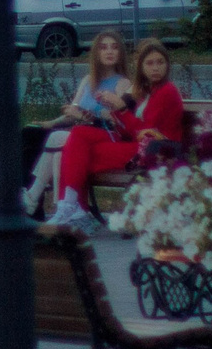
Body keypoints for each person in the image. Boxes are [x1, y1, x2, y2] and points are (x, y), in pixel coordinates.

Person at [48, 38, 188, 234]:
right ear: (141, 67)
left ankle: (74, 209)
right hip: (139, 146)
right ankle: (73, 208)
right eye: (150, 63)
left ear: (167, 65)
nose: (156, 68)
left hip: (157, 150)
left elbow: (145, 133)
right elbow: (129, 131)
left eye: (160, 62)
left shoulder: (166, 90)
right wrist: (113, 111)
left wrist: (121, 109)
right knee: (79, 135)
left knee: (77, 153)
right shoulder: (146, 90)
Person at [24, 32, 131, 215]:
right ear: (96, 53)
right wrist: (51, 122)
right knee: (53, 146)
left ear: (120, 53)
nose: (109, 51)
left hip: (104, 136)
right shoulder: (88, 80)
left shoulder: (123, 83)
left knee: (58, 138)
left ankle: (33, 198)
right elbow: (73, 111)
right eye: (103, 47)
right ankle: (61, 209)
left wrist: (84, 115)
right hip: (81, 135)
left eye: (114, 47)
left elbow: (117, 119)